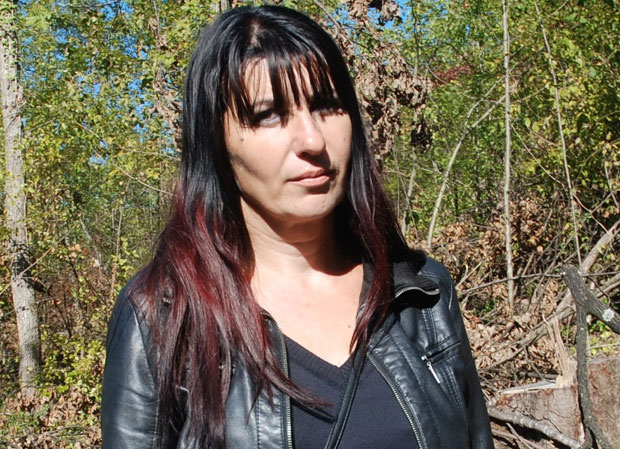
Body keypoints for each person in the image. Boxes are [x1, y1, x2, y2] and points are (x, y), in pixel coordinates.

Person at [101, 5, 494, 449]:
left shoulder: (420, 295)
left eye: (327, 105)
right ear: (216, 141)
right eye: (269, 114)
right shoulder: (163, 318)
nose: (312, 140)